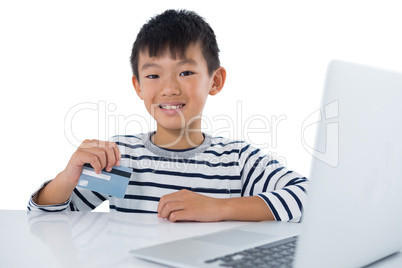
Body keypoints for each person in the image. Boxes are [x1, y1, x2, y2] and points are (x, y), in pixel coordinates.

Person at [28, 9, 308, 223]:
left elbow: (311, 198)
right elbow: (46, 221)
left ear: (215, 81)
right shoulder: (122, 159)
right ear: (138, 86)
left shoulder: (237, 160)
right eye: (153, 75)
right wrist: (67, 177)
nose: (169, 88)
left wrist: (219, 208)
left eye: (186, 72)